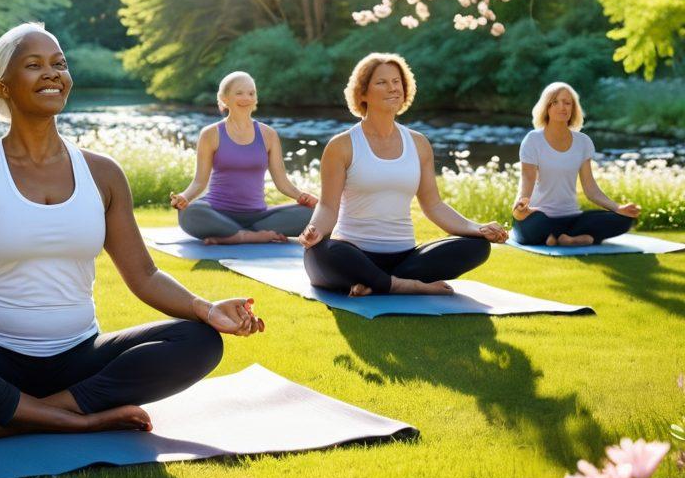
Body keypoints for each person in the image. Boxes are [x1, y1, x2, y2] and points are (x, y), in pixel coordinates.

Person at [0, 22, 263, 445]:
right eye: (34, 65)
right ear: (3, 87)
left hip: (78, 359)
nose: (53, 72)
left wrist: (207, 310)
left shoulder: (103, 173)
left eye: (59, 62)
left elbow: (145, 275)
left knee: (198, 340)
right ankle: (76, 421)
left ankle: (21, 416)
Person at [298, 53, 508, 296]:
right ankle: (402, 285)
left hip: (405, 258)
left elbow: (434, 205)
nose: (392, 88)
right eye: (382, 82)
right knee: (322, 253)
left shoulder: (418, 144)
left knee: (477, 247)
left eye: (397, 82)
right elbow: (327, 206)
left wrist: (478, 228)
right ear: (362, 93)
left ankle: (375, 282)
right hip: (353, 252)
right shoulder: (342, 145)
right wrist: (314, 231)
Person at [170, 72, 316, 244]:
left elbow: (282, 181)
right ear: (224, 99)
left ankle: (230, 235)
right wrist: (184, 197)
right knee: (189, 213)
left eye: (251, 93)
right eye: (239, 93)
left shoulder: (268, 135)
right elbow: (199, 182)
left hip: (259, 216)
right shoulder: (211, 134)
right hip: (217, 212)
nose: (246, 98)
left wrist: (302, 196)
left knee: (316, 213)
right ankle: (250, 236)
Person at [511, 82, 639, 246]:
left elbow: (591, 189)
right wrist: (521, 206)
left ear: (573, 108)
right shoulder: (533, 140)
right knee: (536, 224)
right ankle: (583, 238)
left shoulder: (583, 141)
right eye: (555, 102)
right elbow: (527, 178)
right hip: (538, 215)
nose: (562, 107)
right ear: (546, 108)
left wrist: (618, 208)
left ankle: (557, 238)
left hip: (571, 218)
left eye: (567, 102)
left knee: (624, 219)